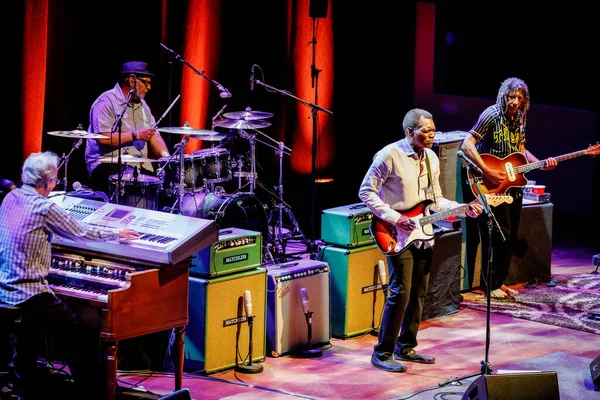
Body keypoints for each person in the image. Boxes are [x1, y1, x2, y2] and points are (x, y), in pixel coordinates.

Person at [0, 151, 140, 398]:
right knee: (78, 329)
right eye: (54, 179)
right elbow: (81, 232)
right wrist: (117, 233)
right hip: (29, 292)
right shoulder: (44, 207)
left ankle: (27, 381)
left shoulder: (11, 197)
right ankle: (93, 392)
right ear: (48, 182)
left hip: (5, 287)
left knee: (37, 329)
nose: (55, 183)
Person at [358, 108, 483, 372]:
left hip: (423, 233)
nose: (431, 135)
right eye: (425, 131)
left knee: (418, 292)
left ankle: (406, 346)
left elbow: (436, 201)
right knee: (400, 291)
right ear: (409, 132)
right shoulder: (389, 155)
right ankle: (382, 352)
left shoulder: (431, 158)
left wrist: (463, 208)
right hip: (394, 232)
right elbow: (366, 191)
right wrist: (393, 217)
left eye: (433, 130)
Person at [459, 77, 557, 299]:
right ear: (503, 96)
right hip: (491, 183)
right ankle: (489, 285)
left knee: (511, 235)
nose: (515, 102)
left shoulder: (520, 118)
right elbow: (467, 144)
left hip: (513, 182)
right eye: (511, 97)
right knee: (499, 233)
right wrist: (487, 171)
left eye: (519, 98)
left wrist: (541, 163)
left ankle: (497, 282)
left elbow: (520, 150)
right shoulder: (491, 115)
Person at [85, 61, 170, 199]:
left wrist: (168, 159)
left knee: (164, 186)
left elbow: (154, 136)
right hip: (108, 164)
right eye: (145, 83)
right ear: (132, 81)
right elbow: (103, 138)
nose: (149, 87)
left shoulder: (144, 106)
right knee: (130, 180)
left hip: (138, 165)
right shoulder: (105, 102)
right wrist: (136, 135)